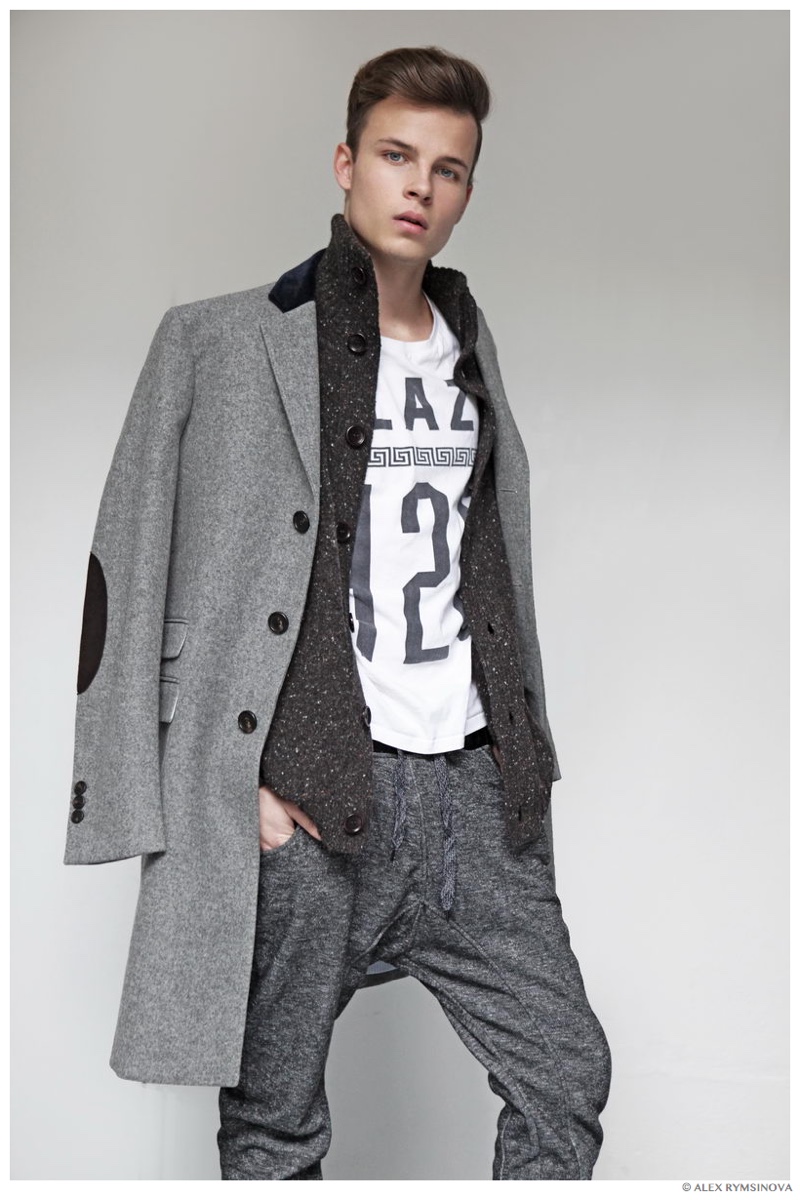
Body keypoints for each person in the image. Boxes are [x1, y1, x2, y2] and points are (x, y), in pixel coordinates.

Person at [65, 45, 612, 1180]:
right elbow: (125, 572)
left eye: (448, 169)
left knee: (563, 1078)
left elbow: (489, 573)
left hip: (472, 791)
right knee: (274, 1121)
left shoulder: (470, 350)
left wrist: (523, 760)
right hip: (310, 790)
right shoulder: (218, 340)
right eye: (396, 156)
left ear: (467, 191)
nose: (420, 187)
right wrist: (215, 787)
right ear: (345, 164)